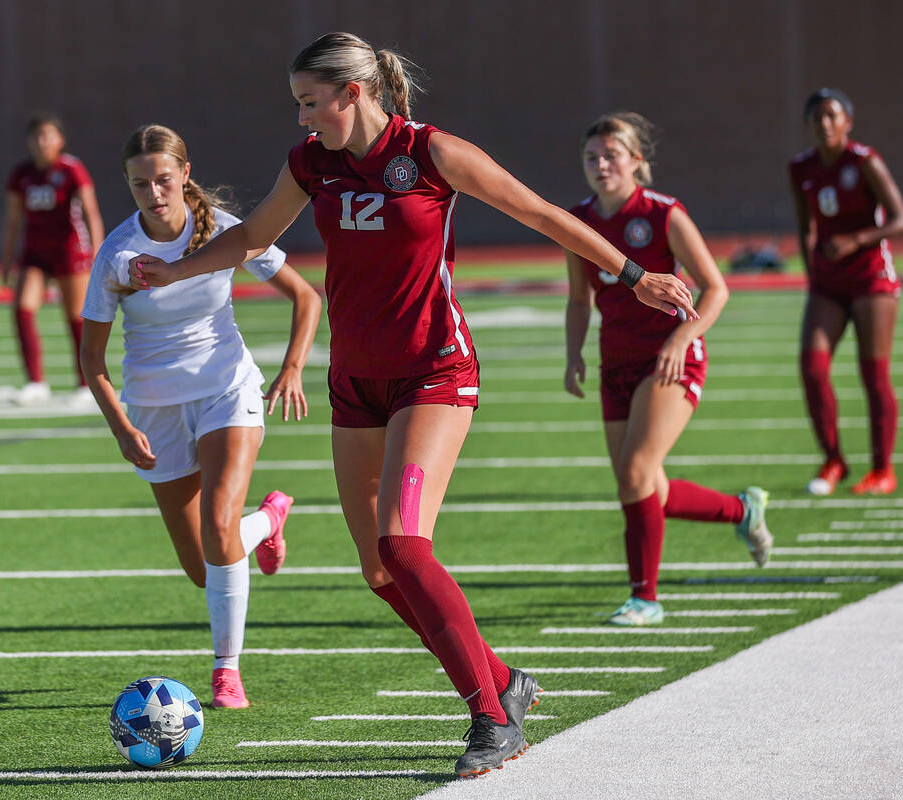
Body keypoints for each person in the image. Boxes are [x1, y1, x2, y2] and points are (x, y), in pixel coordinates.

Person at [128, 32, 697, 778]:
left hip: (435, 372)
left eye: (310, 102)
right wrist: (173, 274)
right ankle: (503, 681)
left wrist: (632, 275)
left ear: (352, 93)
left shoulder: (430, 153)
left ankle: (491, 718)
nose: (302, 118)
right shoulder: (312, 163)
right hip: (356, 381)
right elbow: (253, 236)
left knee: (404, 544)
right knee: (377, 569)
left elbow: (540, 214)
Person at [79, 124, 322, 709]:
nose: (154, 193)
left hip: (227, 390)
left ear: (184, 174)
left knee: (218, 528)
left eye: (163, 179)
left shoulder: (225, 230)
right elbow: (91, 359)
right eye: (140, 184)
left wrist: (291, 369)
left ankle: (226, 672)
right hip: (155, 409)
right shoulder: (117, 254)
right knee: (203, 566)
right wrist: (120, 426)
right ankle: (268, 520)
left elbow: (307, 297)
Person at [564, 112, 774, 627]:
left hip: (669, 358)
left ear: (637, 161)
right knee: (641, 485)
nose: (600, 165)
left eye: (611, 155)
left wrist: (683, 335)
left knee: (635, 475)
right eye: (591, 157)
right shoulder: (579, 219)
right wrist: (574, 355)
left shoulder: (663, 213)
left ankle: (646, 599)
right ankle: (741, 511)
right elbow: (577, 298)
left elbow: (716, 286)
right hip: (616, 361)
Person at [789, 88, 903, 495]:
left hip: (871, 278)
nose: (824, 124)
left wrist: (856, 240)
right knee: (812, 368)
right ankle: (833, 460)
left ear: (847, 122)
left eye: (831, 116)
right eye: (816, 117)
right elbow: (806, 228)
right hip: (828, 284)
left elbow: (900, 220)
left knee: (873, 374)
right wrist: (813, 275)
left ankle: (882, 470)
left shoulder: (864, 161)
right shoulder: (801, 168)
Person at [1, 113, 105, 405]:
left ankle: (85, 384)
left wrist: (98, 252)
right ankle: (36, 382)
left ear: (60, 140)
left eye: (47, 135)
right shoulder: (21, 174)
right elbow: (12, 221)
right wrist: (7, 260)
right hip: (35, 253)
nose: (41, 141)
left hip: (70, 251)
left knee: (76, 318)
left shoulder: (71, 169)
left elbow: (90, 212)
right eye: (36, 136)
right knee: (22, 309)